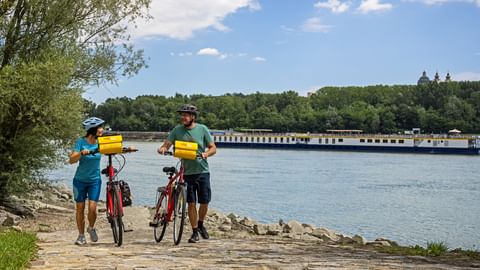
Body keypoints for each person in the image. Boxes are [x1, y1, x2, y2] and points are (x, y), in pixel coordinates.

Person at [158, 104, 217, 243]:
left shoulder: (202, 129)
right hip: (186, 173)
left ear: (193, 117)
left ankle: (201, 224)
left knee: (204, 202)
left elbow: (213, 148)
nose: (182, 117)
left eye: (185, 115)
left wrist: (206, 154)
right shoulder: (177, 130)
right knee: (191, 203)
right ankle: (195, 231)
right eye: (182, 115)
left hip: (202, 171)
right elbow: (167, 144)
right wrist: (162, 148)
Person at [69, 117, 105, 245]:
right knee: (80, 208)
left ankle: (91, 227)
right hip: (80, 181)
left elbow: (112, 149)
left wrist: (127, 149)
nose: (102, 130)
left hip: (95, 180)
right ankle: (81, 235)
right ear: (93, 129)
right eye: (100, 127)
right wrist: (81, 153)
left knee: (93, 208)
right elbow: (71, 159)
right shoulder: (80, 142)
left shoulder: (101, 142)